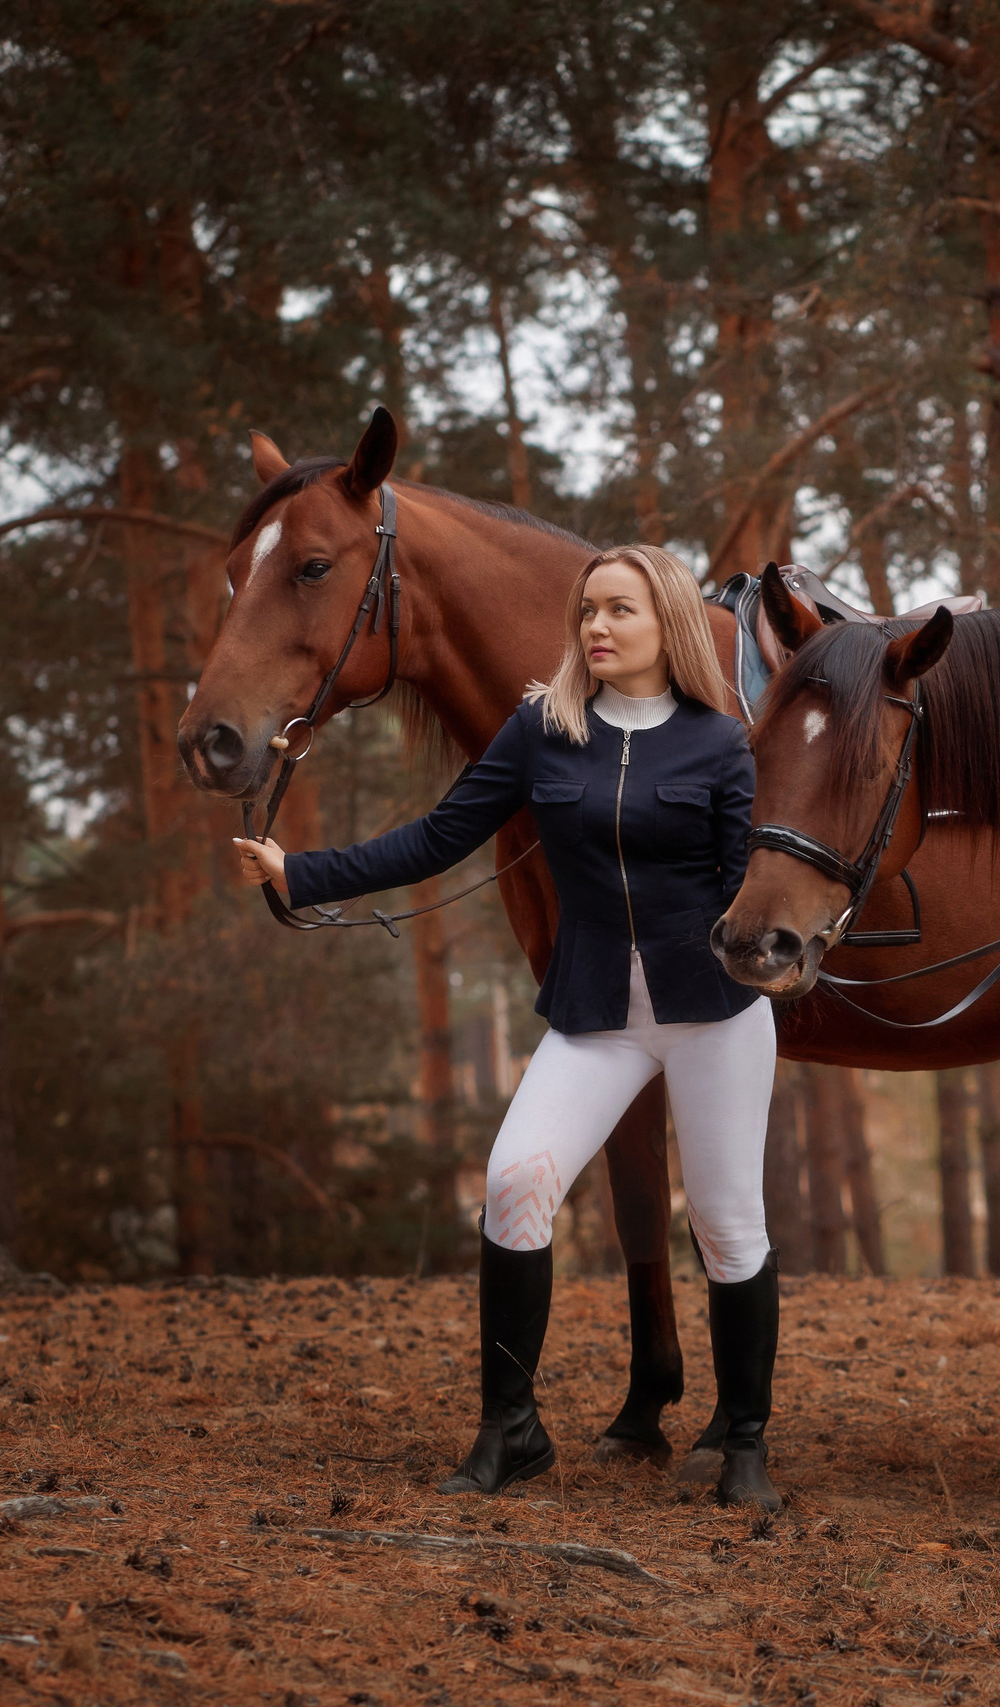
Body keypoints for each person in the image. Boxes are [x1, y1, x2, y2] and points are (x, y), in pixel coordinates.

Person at [233, 544, 782, 1510]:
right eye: (589, 610)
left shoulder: (720, 742)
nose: (597, 626)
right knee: (515, 1181)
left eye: (620, 610)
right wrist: (302, 872)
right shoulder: (542, 729)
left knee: (729, 1226)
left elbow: (755, 884)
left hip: (715, 1016)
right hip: (595, 1015)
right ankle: (511, 1430)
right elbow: (439, 836)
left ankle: (744, 1442)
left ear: (669, 624)